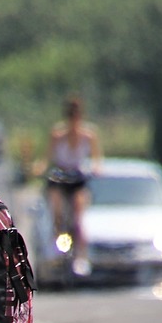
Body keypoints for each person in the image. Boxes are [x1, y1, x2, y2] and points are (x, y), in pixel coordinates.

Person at [44, 94, 101, 277]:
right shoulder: (57, 135)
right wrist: (40, 168)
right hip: (61, 176)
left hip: (77, 177)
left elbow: (96, 160)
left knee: (78, 216)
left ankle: (81, 256)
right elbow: (48, 158)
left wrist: (96, 169)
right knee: (58, 211)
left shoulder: (89, 135)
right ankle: (58, 244)